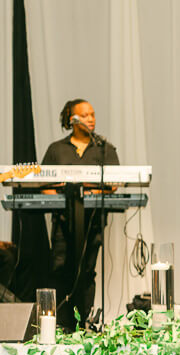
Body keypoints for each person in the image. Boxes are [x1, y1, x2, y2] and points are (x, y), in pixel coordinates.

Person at [41, 99, 120, 329]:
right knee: (60, 267)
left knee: (87, 271)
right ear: (72, 120)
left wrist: (86, 189)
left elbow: (113, 183)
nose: (91, 119)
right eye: (85, 115)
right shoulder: (57, 149)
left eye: (93, 114)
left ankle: (84, 321)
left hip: (92, 222)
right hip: (63, 222)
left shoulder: (104, 148)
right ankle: (59, 324)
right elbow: (44, 184)